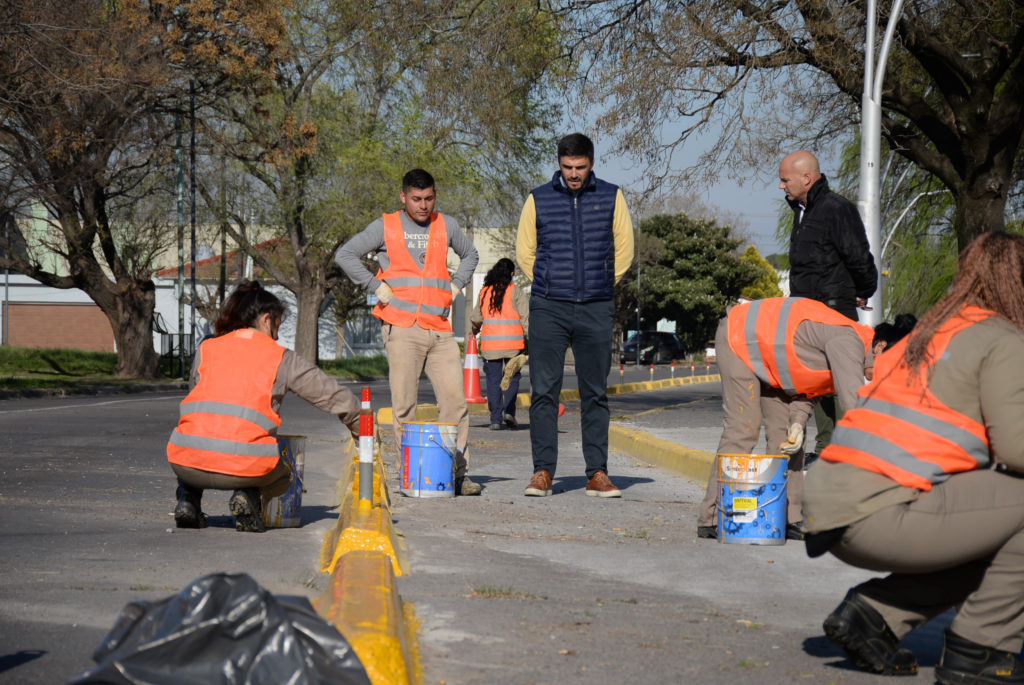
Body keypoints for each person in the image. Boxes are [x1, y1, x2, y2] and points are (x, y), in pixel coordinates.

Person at [804, 231, 1024, 683]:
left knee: (993, 529)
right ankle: (979, 651)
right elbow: (1018, 449)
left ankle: (876, 616)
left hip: (832, 501)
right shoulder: (1001, 339)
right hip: (881, 510)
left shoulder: (928, 333)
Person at [695, 297, 912, 541]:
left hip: (771, 357)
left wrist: (797, 423)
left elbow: (811, 389)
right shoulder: (848, 342)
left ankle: (789, 517)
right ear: (880, 347)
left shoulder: (851, 349)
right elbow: (854, 407)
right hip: (739, 338)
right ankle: (711, 516)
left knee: (787, 437)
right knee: (743, 428)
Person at [167, 281, 361, 533]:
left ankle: (188, 499)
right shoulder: (280, 357)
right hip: (245, 467)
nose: (277, 336)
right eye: (277, 327)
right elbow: (337, 398)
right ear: (266, 319)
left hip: (185, 462)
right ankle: (249, 496)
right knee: (285, 476)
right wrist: (363, 434)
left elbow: (199, 401)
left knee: (201, 437)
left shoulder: (206, 349)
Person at [335, 168, 481, 496]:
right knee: (404, 407)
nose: (423, 205)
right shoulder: (386, 225)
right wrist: (375, 285)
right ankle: (410, 473)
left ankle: (459, 472)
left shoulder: (447, 225)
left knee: (455, 404)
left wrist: (456, 287)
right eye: (416, 199)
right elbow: (345, 255)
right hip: (401, 328)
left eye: (429, 198)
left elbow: (471, 254)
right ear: (403, 197)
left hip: (440, 329)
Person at [515, 132, 634, 498]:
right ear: (559, 164)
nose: (573, 174)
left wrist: (598, 283)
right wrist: (552, 283)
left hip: (596, 306)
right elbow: (525, 252)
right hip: (549, 306)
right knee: (543, 392)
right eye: (567, 167)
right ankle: (542, 472)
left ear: (591, 163)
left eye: (580, 167)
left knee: (595, 392)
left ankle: (597, 473)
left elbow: (625, 250)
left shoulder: (612, 196)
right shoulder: (537, 199)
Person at [779, 150, 879, 458]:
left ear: (806, 178)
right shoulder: (801, 211)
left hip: (834, 310)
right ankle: (824, 449)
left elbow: (859, 257)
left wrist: (862, 290)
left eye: (785, 180)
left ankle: (850, 452)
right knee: (815, 380)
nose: (781, 186)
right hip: (805, 313)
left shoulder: (837, 209)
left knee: (841, 382)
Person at [470, 258, 528, 431]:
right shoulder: (515, 291)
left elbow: (476, 318)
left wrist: (474, 330)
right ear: (511, 274)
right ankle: (509, 412)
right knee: (512, 377)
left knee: (493, 381)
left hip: (490, 346)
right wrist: (529, 340)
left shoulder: (485, 292)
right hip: (513, 345)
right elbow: (526, 317)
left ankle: (495, 419)